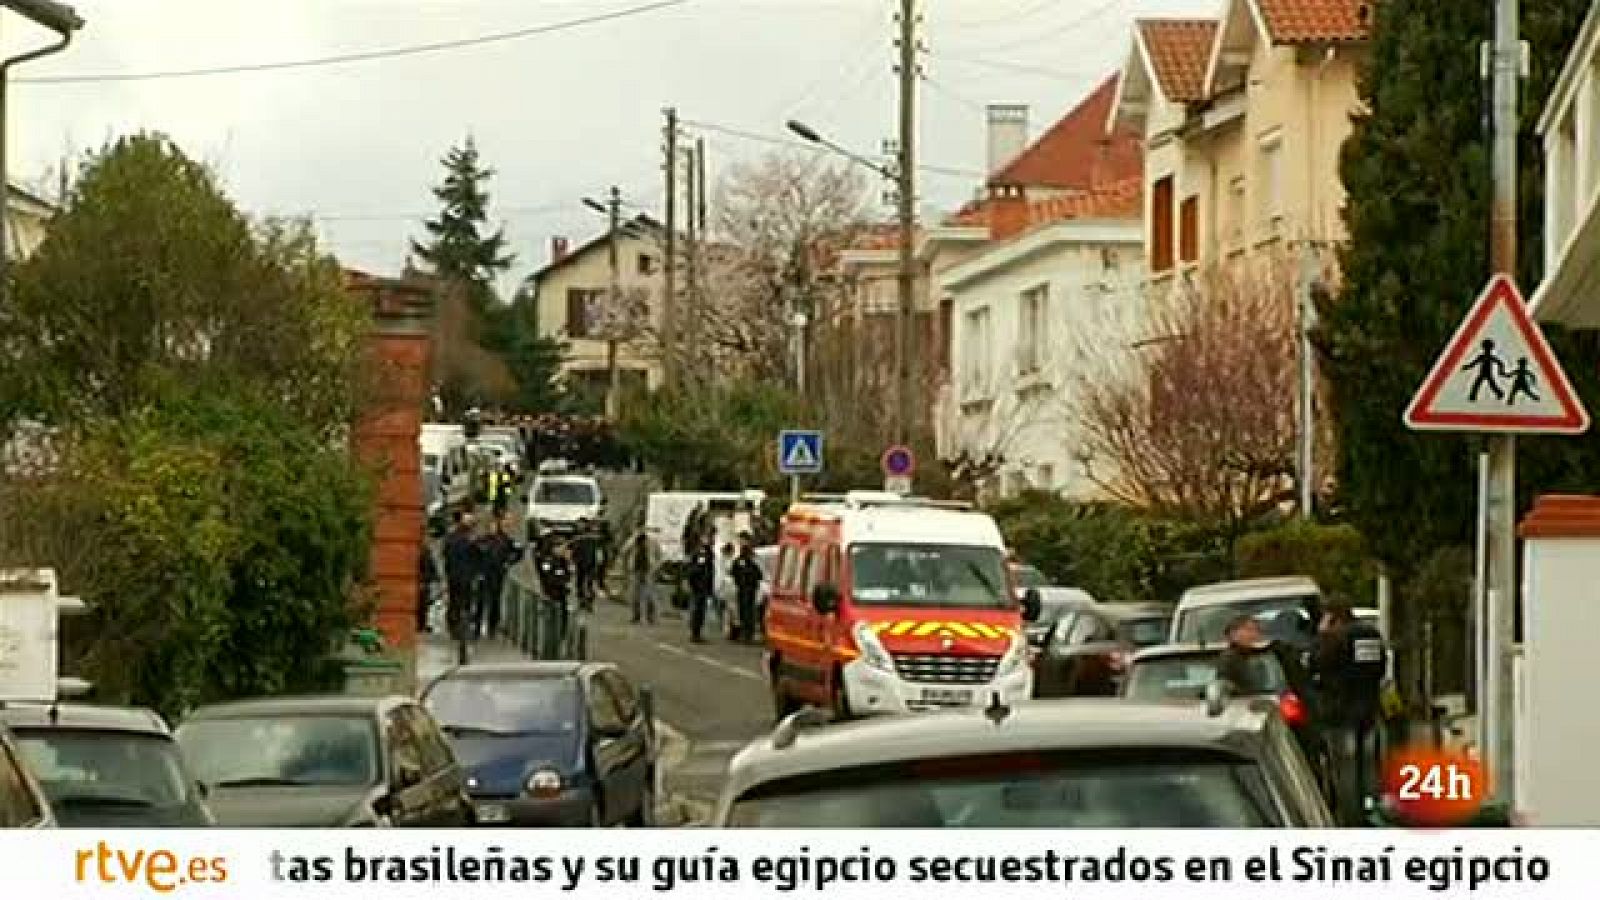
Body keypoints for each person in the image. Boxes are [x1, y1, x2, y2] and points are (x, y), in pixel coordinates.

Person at [1313, 601, 1388, 825]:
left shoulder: (1335, 638)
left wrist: (1322, 636)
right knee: (1368, 767)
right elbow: (1380, 668)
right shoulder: (1371, 635)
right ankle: (1373, 813)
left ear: (1333, 618)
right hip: (1368, 708)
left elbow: (1319, 663)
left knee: (1345, 768)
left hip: (1340, 711)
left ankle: (1351, 819)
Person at [474, 514, 522, 640]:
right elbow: (474, 555)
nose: (493, 528)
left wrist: (508, 563)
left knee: (495, 602)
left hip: (498, 574)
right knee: (481, 602)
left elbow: (517, 552)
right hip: (484, 574)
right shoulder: (482, 540)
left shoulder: (505, 540)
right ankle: (477, 628)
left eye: (495, 526)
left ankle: (492, 628)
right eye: (491, 526)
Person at [441, 510, 481, 642]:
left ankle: (456, 627)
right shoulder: (469, 539)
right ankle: (461, 628)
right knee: (464, 602)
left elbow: (446, 556)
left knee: (455, 602)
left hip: (455, 575)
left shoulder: (451, 538)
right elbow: (477, 557)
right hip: (465, 576)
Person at [623, 529, 659, 624]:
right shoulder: (632, 542)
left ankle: (650, 616)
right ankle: (636, 615)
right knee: (635, 594)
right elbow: (625, 552)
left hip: (648, 570)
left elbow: (659, 555)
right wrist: (626, 567)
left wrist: (656, 567)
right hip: (636, 569)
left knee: (649, 594)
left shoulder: (653, 542)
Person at [731, 540, 763, 643]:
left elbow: (759, 575)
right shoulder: (744, 562)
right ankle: (746, 634)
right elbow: (736, 573)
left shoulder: (749, 563)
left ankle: (747, 634)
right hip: (745, 590)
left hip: (747, 590)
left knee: (747, 613)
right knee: (745, 613)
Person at [686, 537, 716, 644]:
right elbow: (699, 569)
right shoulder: (702, 553)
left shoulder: (707, 553)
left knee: (700, 611)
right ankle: (695, 634)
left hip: (702, 586)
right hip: (700, 586)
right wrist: (698, 584)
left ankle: (696, 633)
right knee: (698, 610)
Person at [571, 518, 602, 610]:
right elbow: (574, 549)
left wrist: (599, 561)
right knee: (580, 583)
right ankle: (582, 601)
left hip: (590, 563)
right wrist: (574, 559)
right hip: (580, 563)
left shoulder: (591, 536)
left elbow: (598, 549)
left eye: (580, 524)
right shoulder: (578, 536)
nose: (579, 526)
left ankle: (589, 602)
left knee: (589, 583)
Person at [417, 535, 440, 634]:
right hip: (421, 580)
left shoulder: (426, 551)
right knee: (421, 603)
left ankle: (422, 624)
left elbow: (431, 565)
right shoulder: (419, 551)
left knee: (425, 603)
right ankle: (420, 624)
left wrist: (436, 577)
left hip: (426, 581)